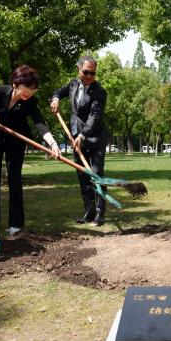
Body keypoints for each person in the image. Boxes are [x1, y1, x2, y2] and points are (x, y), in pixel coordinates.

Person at [0, 65, 60, 235]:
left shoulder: (30, 102)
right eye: (26, 88)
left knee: (14, 180)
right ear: (15, 83)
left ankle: (16, 223)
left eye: (33, 89)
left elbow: (40, 123)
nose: (29, 92)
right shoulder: (0, 91)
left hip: (16, 142)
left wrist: (53, 144)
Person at [50, 56, 108, 226]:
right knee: (83, 176)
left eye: (93, 73)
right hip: (75, 138)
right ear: (79, 70)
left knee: (96, 175)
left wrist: (82, 135)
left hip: (94, 138)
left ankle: (100, 214)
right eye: (85, 72)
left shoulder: (100, 92)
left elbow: (94, 116)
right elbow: (58, 92)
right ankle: (89, 212)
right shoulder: (74, 84)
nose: (89, 75)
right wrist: (56, 98)